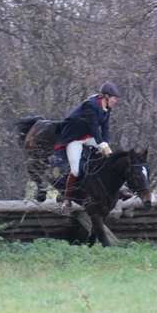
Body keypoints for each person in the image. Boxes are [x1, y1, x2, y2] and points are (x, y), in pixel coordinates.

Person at [53, 81, 121, 216]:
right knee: (75, 170)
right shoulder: (91, 105)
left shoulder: (106, 108)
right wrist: (101, 144)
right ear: (106, 96)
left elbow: (105, 129)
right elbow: (94, 128)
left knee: (109, 156)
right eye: (114, 98)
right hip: (74, 138)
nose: (115, 101)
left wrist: (106, 145)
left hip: (88, 136)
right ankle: (67, 201)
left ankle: (120, 188)